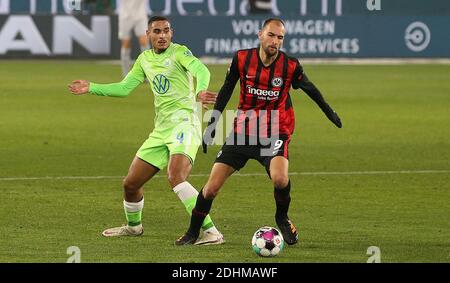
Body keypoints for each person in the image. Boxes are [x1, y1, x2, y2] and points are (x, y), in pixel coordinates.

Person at [175, 18, 342, 245]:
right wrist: (212, 125)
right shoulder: (242, 59)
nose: (275, 41)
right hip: (243, 131)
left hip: (275, 131)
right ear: (260, 35)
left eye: (280, 37)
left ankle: (282, 218)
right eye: (271, 35)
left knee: (280, 179)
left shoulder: (290, 65)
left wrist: (329, 112)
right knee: (212, 187)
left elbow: (310, 89)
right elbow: (226, 89)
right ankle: (193, 233)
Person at [68, 16, 224, 245]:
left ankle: (211, 232)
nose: (162, 35)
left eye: (166, 31)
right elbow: (124, 88)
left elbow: (201, 70)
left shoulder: (180, 52)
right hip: (161, 130)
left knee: (176, 176)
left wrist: (201, 90)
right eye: (157, 31)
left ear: (172, 33)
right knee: (130, 184)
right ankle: (134, 227)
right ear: (148, 35)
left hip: (184, 124)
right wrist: (93, 87)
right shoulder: (144, 60)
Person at [118, 0, 149, 77]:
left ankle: (147, 73)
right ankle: (126, 74)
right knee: (125, 44)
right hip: (125, 17)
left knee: (144, 42)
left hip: (140, 16)